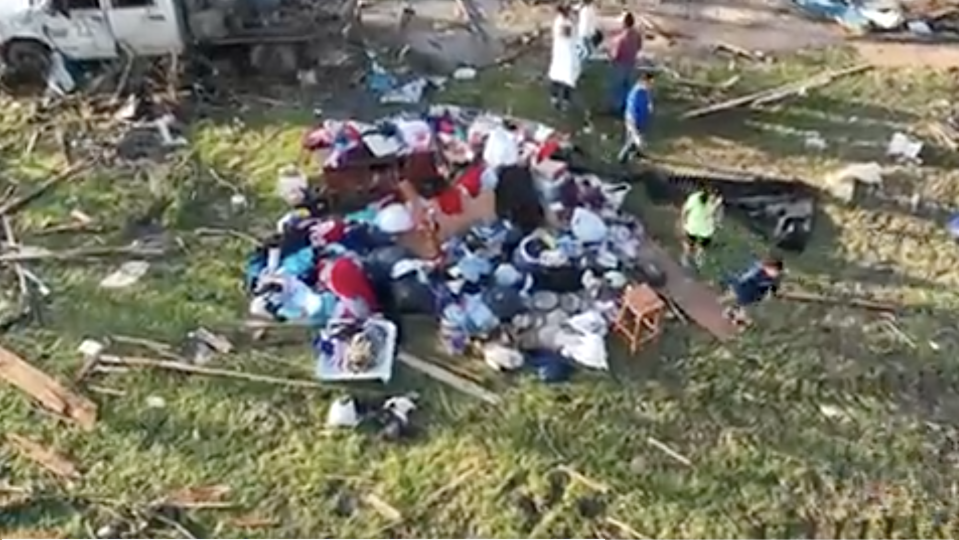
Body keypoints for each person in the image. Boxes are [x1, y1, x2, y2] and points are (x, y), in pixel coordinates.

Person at [722, 255, 784, 327]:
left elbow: (771, 286)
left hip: (754, 293)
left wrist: (770, 292)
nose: (775, 273)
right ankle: (735, 316)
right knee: (743, 305)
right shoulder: (759, 270)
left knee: (743, 305)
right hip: (748, 290)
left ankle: (734, 314)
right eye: (774, 270)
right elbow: (746, 277)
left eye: (776, 271)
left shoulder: (772, 276)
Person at [605, 12, 642, 114]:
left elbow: (615, 55)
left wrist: (609, 55)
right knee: (628, 87)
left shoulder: (620, 39)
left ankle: (616, 109)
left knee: (617, 87)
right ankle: (627, 107)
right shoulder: (637, 35)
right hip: (631, 63)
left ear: (624, 23)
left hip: (621, 65)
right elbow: (639, 47)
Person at [548, 5, 581, 112]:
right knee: (564, 75)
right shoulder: (562, 22)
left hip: (564, 52)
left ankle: (561, 100)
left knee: (564, 76)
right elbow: (567, 33)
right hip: (564, 53)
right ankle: (558, 99)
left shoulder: (563, 21)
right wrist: (573, 22)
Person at [679, 188, 723, 268]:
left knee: (701, 247)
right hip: (693, 228)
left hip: (705, 230)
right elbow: (685, 209)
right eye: (712, 197)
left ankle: (697, 258)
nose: (713, 199)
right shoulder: (697, 199)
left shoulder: (711, 202)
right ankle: (685, 258)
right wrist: (683, 222)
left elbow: (715, 216)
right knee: (689, 246)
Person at [617, 69, 653, 164]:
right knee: (632, 139)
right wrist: (633, 123)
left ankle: (635, 153)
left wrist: (649, 105)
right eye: (649, 83)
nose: (651, 86)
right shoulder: (636, 93)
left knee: (633, 138)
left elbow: (647, 100)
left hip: (641, 119)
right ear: (644, 81)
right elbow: (631, 109)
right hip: (633, 119)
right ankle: (621, 158)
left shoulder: (644, 90)